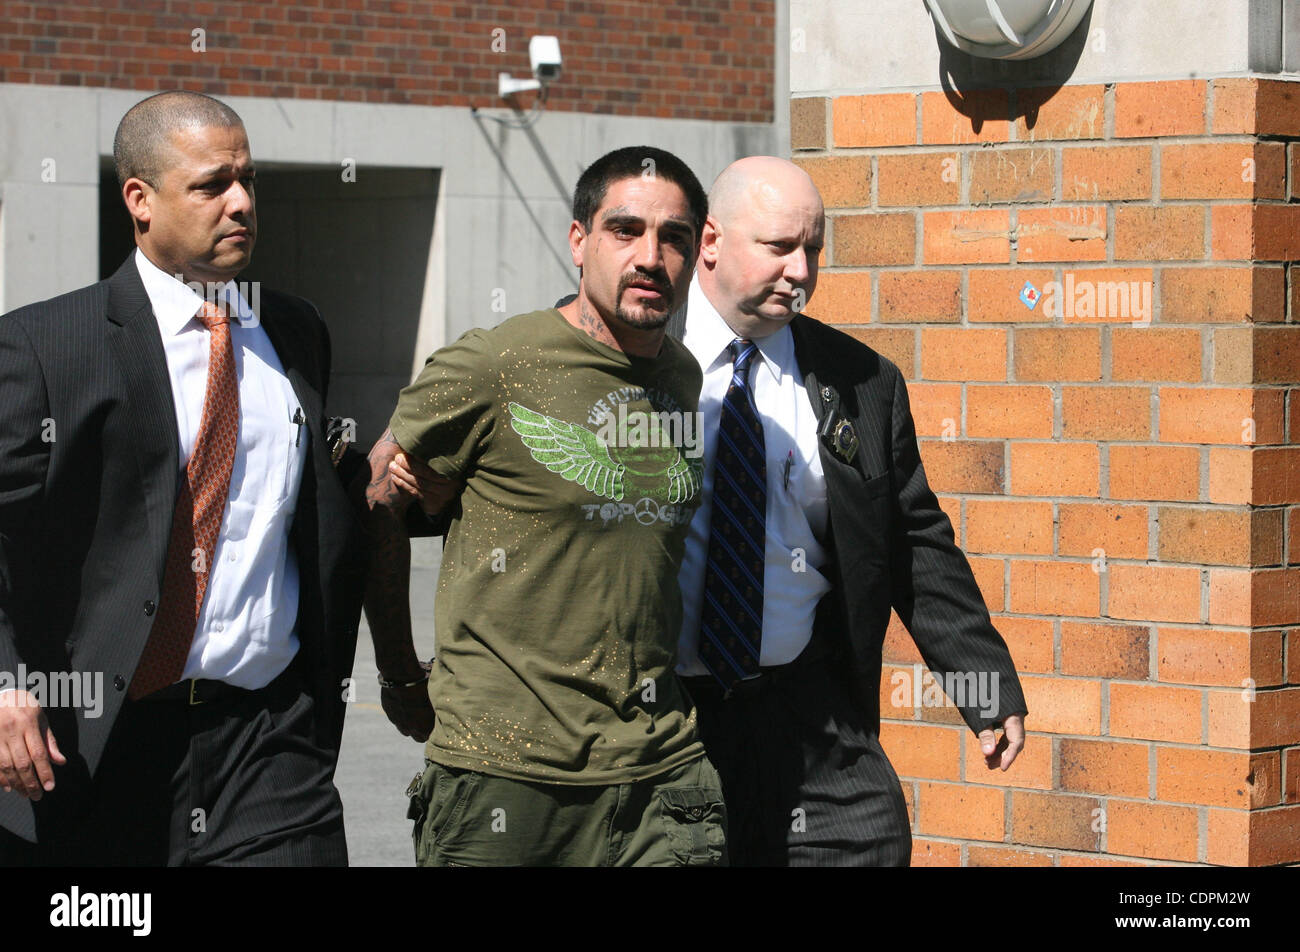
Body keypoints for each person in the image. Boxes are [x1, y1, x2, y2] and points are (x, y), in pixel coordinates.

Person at [0, 91, 369, 865]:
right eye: (211, 185)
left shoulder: (297, 330)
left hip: (267, 745)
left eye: (248, 180)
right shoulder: (47, 347)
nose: (240, 203)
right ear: (140, 198)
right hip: (96, 745)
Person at [363, 145, 727, 866]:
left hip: (662, 768)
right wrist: (401, 673)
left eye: (675, 238)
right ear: (579, 240)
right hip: (505, 775)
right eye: (625, 231)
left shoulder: (683, 377)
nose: (651, 257)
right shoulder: (498, 363)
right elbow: (380, 494)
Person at [668, 155, 1028, 866]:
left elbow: (914, 540)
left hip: (812, 712)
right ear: (710, 242)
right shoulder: (636, 359)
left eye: (813, 249)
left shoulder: (859, 380)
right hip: (670, 718)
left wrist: (983, 682)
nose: (800, 271)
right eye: (779, 247)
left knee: (871, 844)